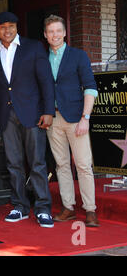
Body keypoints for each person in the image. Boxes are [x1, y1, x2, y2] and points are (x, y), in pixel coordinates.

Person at [0, 11, 56, 228]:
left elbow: (46, 81)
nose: (7, 30)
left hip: (33, 114)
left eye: (11, 25)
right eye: (2, 27)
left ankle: (43, 208)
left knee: (37, 162)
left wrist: (48, 111)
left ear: (17, 27)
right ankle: (20, 206)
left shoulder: (33, 47)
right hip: (7, 116)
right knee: (13, 163)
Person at [43, 14, 99, 227]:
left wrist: (86, 117)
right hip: (53, 118)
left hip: (77, 118)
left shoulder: (78, 55)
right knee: (61, 165)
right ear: (45, 35)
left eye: (58, 30)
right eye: (51, 31)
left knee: (84, 165)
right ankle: (68, 208)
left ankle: (90, 210)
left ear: (65, 33)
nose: (55, 35)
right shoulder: (42, 58)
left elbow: (90, 87)